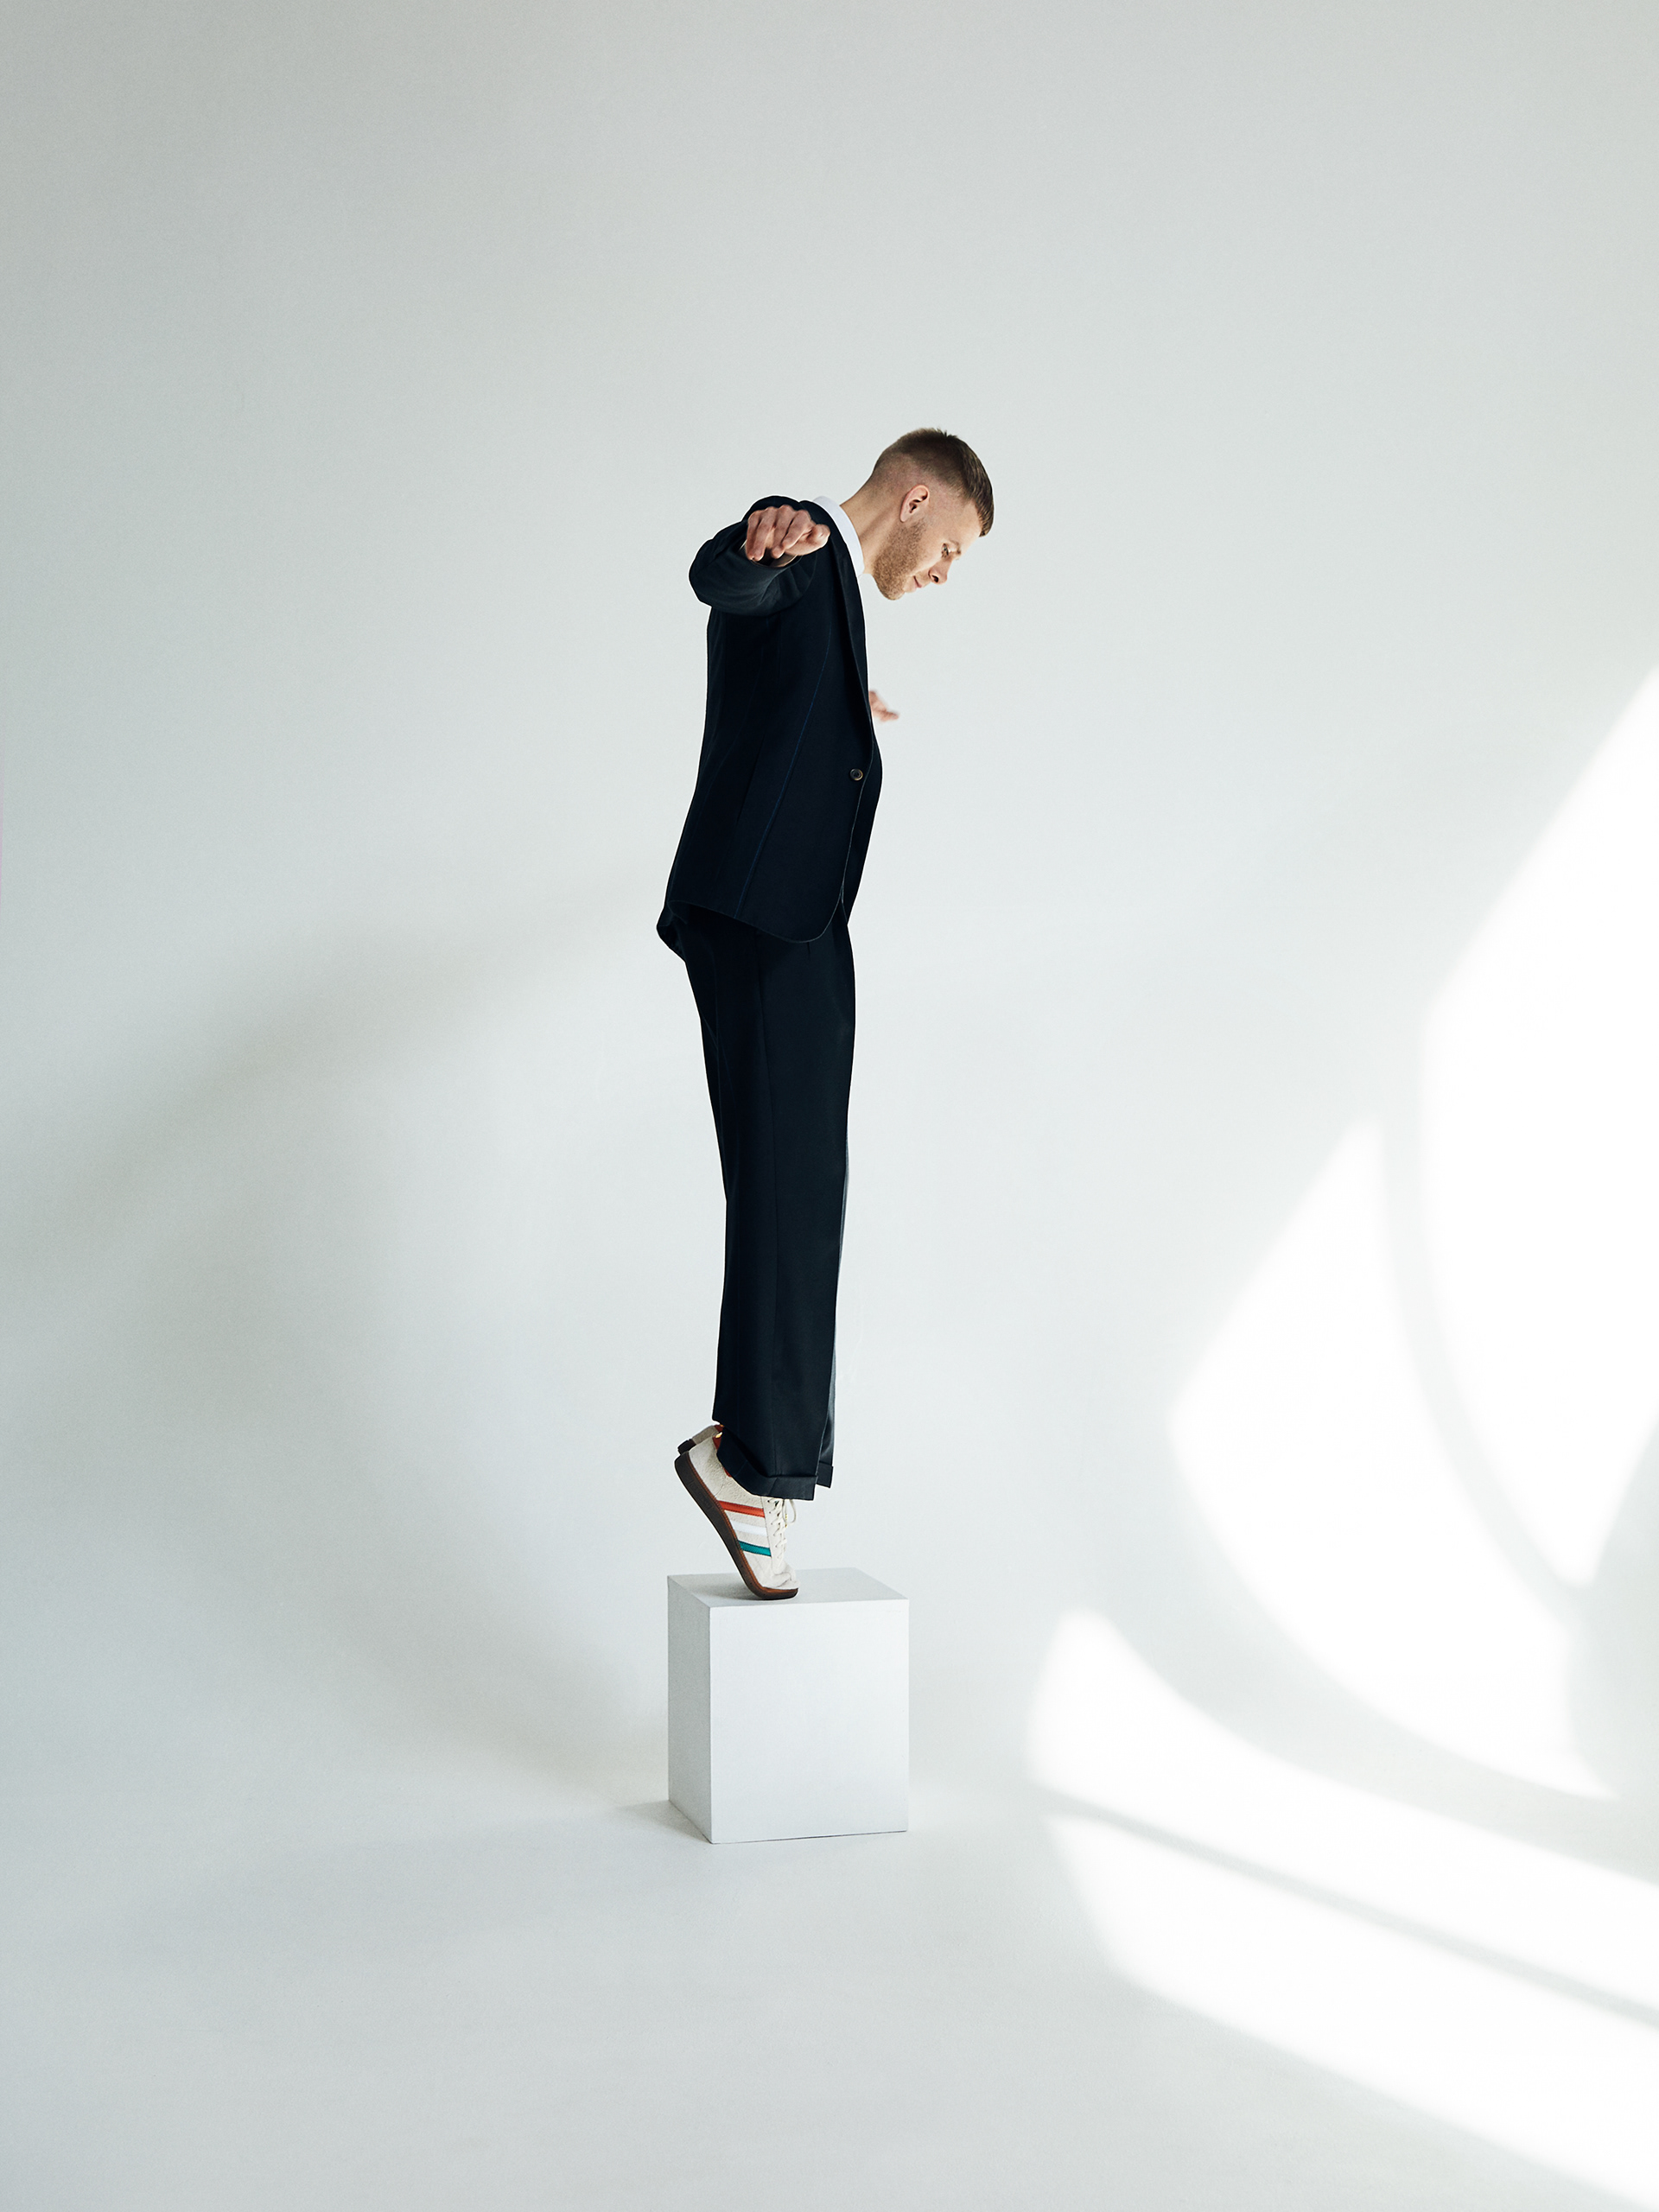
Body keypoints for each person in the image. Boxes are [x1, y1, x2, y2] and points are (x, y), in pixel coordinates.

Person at [659, 428, 994, 1597]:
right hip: (768, 921)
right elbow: (729, 575)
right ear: (916, 500)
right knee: (792, 1189)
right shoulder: (801, 547)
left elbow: (779, 682)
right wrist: (755, 542)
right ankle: (752, 1468)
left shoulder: (835, 605)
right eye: (950, 549)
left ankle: (757, 1456)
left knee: (798, 1189)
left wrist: (843, 710)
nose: (942, 574)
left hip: (788, 925)